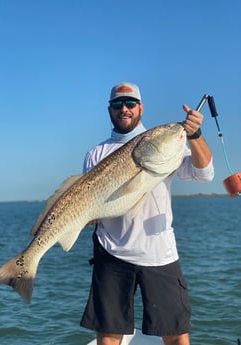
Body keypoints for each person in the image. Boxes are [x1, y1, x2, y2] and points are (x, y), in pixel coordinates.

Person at [80, 82, 214, 345]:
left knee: (176, 335)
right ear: (110, 110)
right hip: (111, 253)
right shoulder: (96, 153)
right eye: (118, 104)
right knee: (108, 336)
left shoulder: (160, 144)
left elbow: (204, 174)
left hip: (159, 253)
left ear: (141, 107)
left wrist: (195, 135)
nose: (124, 109)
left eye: (130, 103)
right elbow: (90, 207)